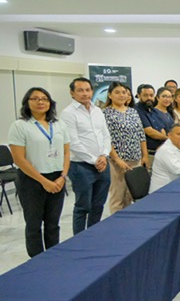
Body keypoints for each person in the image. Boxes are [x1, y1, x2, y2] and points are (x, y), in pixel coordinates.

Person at [8, 87, 70, 257]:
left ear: (50, 103)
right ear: (27, 103)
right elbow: (19, 159)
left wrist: (63, 176)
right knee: (34, 225)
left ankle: (53, 257)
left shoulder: (59, 124)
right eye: (35, 98)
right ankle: (36, 260)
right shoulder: (20, 126)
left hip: (57, 178)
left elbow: (66, 152)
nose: (40, 102)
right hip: (32, 180)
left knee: (53, 223)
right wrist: (44, 181)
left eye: (44, 98)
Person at [61, 77, 112, 235]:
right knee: (83, 206)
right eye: (80, 90)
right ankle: (79, 239)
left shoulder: (98, 110)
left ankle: (93, 235)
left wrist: (104, 155)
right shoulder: (68, 113)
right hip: (81, 166)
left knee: (98, 205)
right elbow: (73, 143)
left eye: (88, 90)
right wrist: (95, 160)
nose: (85, 93)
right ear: (72, 93)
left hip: (102, 163)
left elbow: (106, 136)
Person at [103, 82, 148, 213]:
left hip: (135, 159)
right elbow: (106, 139)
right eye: (117, 92)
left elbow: (141, 135)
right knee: (118, 196)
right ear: (110, 95)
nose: (121, 95)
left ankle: (128, 220)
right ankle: (116, 222)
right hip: (117, 161)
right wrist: (117, 160)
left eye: (124, 92)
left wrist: (145, 155)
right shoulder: (105, 113)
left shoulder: (133, 112)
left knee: (131, 195)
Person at [137, 86, 173, 168]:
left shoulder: (151, 110)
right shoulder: (138, 111)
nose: (149, 98)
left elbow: (161, 129)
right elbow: (149, 131)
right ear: (139, 96)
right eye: (145, 95)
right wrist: (170, 139)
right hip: (150, 153)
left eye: (151, 95)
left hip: (162, 152)